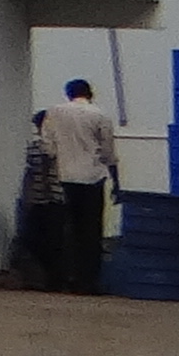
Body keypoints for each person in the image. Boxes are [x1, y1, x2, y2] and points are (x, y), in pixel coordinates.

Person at [38, 76, 119, 294]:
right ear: (90, 94)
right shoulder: (99, 115)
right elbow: (108, 152)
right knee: (91, 231)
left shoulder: (54, 112)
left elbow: (47, 147)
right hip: (93, 177)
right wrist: (116, 181)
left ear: (68, 94)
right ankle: (89, 281)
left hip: (65, 177)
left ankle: (66, 277)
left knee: (68, 229)